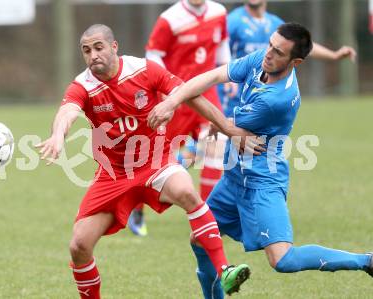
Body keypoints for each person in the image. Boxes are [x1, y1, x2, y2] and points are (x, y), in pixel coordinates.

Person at [36, 24, 263, 298]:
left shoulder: (144, 70)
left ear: (114, 46)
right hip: (113, 174)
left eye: (98, 47)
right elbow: (67, 112)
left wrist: (228, 128)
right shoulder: (83, 85)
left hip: (155, 162)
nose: (93, 55)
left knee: (186, 192)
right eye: (86, 50)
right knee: (79, 246)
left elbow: (189, 94)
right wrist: (58, 136)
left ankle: (224, 270)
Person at [148, 22, 373, 299]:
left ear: (296, 61)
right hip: (233, 178)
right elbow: (211, 78)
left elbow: (223, 124)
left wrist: (180, 98)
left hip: (262, 181)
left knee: (282, 260)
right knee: (201, 240)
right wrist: (174, 100)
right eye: (270, 45)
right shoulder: (262, 61)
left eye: (278, 52)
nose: (268, 53)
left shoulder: (277, 99)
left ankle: (365, 261)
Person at [128, 0, 231, 236]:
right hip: (177, 97)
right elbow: (153, 54)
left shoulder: (219, 12)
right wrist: (164, 90)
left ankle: (209, 218)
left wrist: (228, 73)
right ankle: (137, 206)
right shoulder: (170, 19)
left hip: (207, 94)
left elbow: (222, 42)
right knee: (160, 160)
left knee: (215, 146)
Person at [221, 0, 357, 117]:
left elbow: (302, 46)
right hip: (236, 95)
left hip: (265, 95)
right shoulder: (233, 21)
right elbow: (218, 51)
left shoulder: (274, 22)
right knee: (226, 138)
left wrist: (334, 55)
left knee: (259, 142)